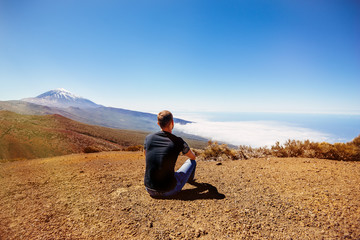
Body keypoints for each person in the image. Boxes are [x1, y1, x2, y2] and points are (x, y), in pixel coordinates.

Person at [144, 110, 197, 198]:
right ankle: (190, 180)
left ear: (158, 123)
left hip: (149, 188)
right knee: (192, 162)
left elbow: (146, 155)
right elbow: (193, 157)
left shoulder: (148, 138)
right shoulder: (178, 141)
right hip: (169, 190)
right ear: (172, 123)